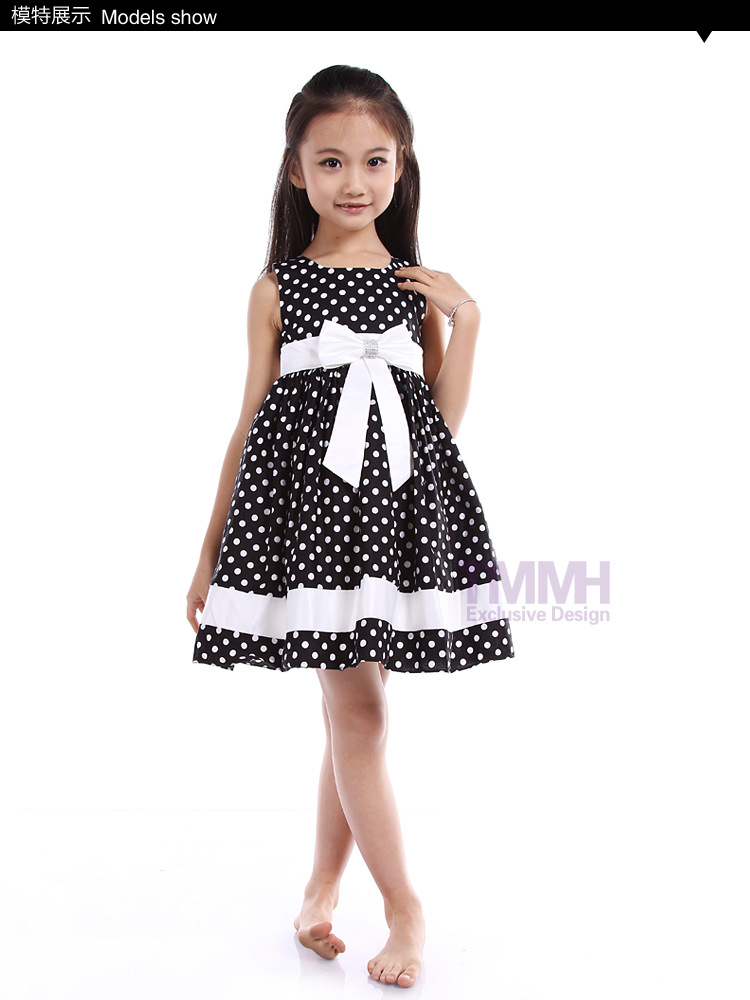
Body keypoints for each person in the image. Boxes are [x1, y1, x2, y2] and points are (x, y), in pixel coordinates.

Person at [186, 64, 515, 989]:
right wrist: (210, 553)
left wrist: (468, 317)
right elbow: (249, 425)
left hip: (394, 525)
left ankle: (319, 891)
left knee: (351, 716)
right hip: (309, 530)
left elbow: (439, 425)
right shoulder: (277, 289)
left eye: (374, 160)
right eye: (330, 161)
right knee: (362, 711)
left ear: (401, 165)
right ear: (296, 171)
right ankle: (405, 907)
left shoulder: (415, 288)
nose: (355, 181)